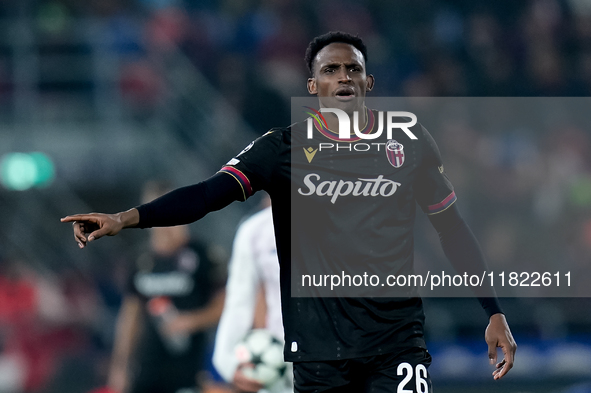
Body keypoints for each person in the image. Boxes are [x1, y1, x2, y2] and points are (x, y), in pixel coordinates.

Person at [62, 32, 516, 393]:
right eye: (331, 69)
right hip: (318, 350)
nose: (343, 77)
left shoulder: (410, 144)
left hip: (397, 340)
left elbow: (452, 229)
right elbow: (205, 195)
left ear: (368, 82)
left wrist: (493, 312)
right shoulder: (281, 149)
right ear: (312, 85)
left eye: (353, 69)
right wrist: (127, 218)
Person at [107, 181, 225, 393]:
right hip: (147, 367)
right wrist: (120, 365)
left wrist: (192, 320)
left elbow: (225, 305)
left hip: (190, 368)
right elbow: (130, 316)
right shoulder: (139, 260)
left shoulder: (204, 255)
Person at [212, 202, 292, 393]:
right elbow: (239, 301)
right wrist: (227, 362)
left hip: (344, 363)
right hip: (277, 367)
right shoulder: (254, 231)